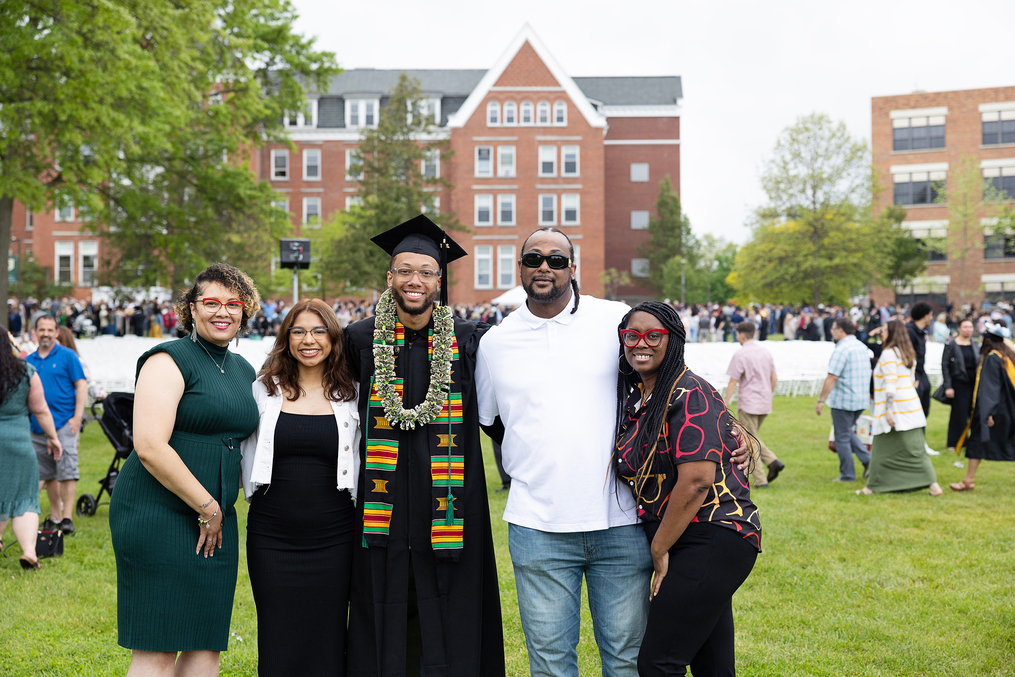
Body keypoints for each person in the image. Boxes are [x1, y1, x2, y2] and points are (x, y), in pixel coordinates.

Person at [477, 228, 752, 677]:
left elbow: (672, 376)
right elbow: (493, 422)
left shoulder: (614, 320)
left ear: (573, 267)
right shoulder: (494, 344)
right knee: (549, 664)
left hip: (622, 523)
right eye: (533, 258)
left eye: (557, 259)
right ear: (520, 266)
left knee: (626, 661)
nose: (544, 266)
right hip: (537, 525)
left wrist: (728, 433)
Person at [343, 215, 504, 677]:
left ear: (440, 279)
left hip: (450, 500)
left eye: (426, 272)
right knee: (382, 595)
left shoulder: (470, 340)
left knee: (452, 598)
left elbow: (502, 415)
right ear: (389, 277)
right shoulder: (358, 339)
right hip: (382, 500)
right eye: (405, 270)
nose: (415, 281)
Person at [108, 263, 261, 676]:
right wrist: (207, 506)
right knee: (158, 648)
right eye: (211, 302)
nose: (222, 312)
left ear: (245, 312)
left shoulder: (244, 370)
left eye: (233, 304)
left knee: (204, 645)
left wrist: (216, 512)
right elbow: (150, 446)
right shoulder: (169, 359)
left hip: (215, 520)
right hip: (159, 513)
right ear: (191, 308)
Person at [614, 302, 760, 677]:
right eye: (632, 335)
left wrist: (659, 549)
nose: (640, 343)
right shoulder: (638, 397)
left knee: (659, 662)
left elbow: (696, 481)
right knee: (712, 665)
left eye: (653, 336)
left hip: (711, 534)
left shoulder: (688, 390)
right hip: (688, 538)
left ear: (673, 341)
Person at [241, 298, 360, 677]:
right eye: (299, 331)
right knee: (277, 636)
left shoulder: (354, 393)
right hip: (271, 535)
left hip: (335, 537)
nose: (309, 340)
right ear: (286, 338)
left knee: (328, 638)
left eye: (319, 331)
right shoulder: (263, 389)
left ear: (333, 337)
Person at [857, 320, 942, 496]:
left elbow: (890, 382)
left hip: (897, 407)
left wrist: (889, 409)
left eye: (885, 329)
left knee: (906, 449)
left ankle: (932, 486)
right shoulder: (906, 352)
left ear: (893, 333)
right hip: (910, 404)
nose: (882, 332)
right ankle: (874, 485)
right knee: (907, 448)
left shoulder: (888, 354)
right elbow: (911, 380)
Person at [0, 333, 63, 570]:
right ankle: (29, 552)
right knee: (25, 499)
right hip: (18, 444)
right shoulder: (26, 371)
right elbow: (41, 410)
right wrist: (53, 438)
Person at [25, 314, 87, 534]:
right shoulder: (28, 360)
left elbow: (81, 386)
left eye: (50, 330)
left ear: (57, 333)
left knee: (67, 470)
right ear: (35, 332)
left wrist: (77, 417)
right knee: (45, 473)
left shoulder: (68, 356)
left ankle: (67, 518)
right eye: (42, 330)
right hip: (36, 427)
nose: (46, 334)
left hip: (63, 423)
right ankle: (55, 515)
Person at [950, 323, 1015, 491]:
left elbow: (990, 388)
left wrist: (988, 413)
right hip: (1007, 410)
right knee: (981, 444)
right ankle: (968, 480)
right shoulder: (1006, 357)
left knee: (977, 443)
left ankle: (968, 480)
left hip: (993, 412)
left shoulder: (993, 358)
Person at [724, 322, 785, 488]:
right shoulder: (765, 352)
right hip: (764, 401)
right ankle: (772, 463)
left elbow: (732, 381)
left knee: (749, 441)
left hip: (749, 402)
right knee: (753, 437)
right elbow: (774, 378)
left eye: (737, 334)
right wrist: (768, 393)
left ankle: (761, 479)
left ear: (742, 335)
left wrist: (725, 402)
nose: (737, 337)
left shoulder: (741, 354)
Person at [816, 318, 872, 482]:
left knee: (841, 437)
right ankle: (868, 460)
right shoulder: (862, 347)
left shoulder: (841, 350)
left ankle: (847, 474)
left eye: (833, 329)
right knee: (846, 432)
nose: (831, 332)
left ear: (840, 330)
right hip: (860, 399)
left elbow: (832, 377)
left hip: (844, 400)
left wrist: (821, 400)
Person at [942, 320, 980, 455]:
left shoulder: (975, 344)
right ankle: (953, 442)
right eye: (965, 327)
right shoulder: (951, 344)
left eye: (970, 327)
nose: (968, 329)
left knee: (973, 412)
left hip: (974, 384)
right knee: (958, 413)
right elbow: (945, 366)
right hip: (958, 383)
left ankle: (970, 441)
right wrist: (948, 386)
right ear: (959, 328)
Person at [55, 326, 108, 401]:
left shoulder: (75, 360)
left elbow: (88, 381)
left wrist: (98, 393)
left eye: (57, 341)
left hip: (70, 405)